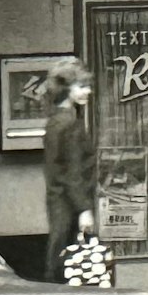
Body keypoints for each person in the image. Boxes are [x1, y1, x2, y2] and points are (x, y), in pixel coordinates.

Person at [41, 57, 97, 275]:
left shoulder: (55, 121)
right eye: (82, 86)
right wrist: (84, 209)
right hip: (71, 205)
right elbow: (73, 172)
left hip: (58, 202)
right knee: (73, 265)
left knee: (59, 258)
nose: (88, 91)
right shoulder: (71, 124)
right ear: (66, 89)